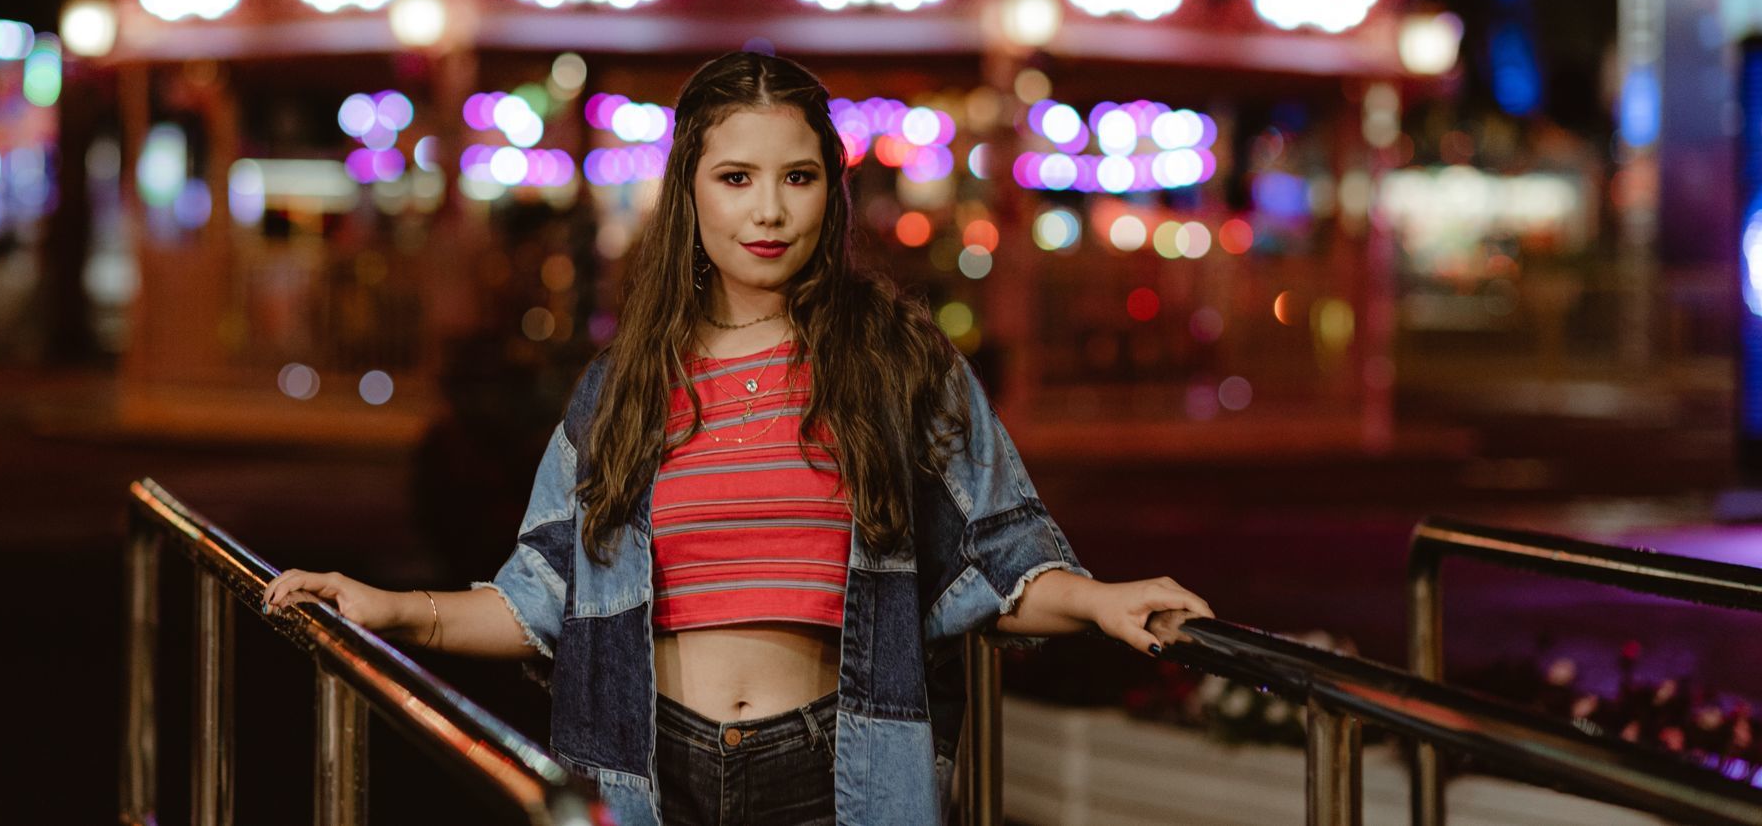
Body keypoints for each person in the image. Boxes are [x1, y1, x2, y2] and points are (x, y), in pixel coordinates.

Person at [266, 52, 1213, 826]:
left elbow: (993, 558)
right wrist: (391, 610)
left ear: (829, 193)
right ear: (692, 193)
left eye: (797, 178)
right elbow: (541, 595)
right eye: (736, 178)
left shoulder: (896, 360)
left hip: (830, 774)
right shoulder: (624, 387)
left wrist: (1099, 601)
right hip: (645, 770)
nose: (769, 210)